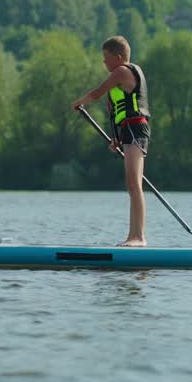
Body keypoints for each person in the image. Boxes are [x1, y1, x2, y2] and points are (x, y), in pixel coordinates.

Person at [70, 36, 151, 247]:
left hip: (136, 129)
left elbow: (97, 93)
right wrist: (116, 138)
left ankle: (138, 237)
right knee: (131, 184)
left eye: (106, 58)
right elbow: (118, 112)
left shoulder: (123, 71)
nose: (104, 63)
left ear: (118, 57)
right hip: (128, 131)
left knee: (134, 184)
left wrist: (80, 102)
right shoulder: (120, 82)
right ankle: (133, 236)